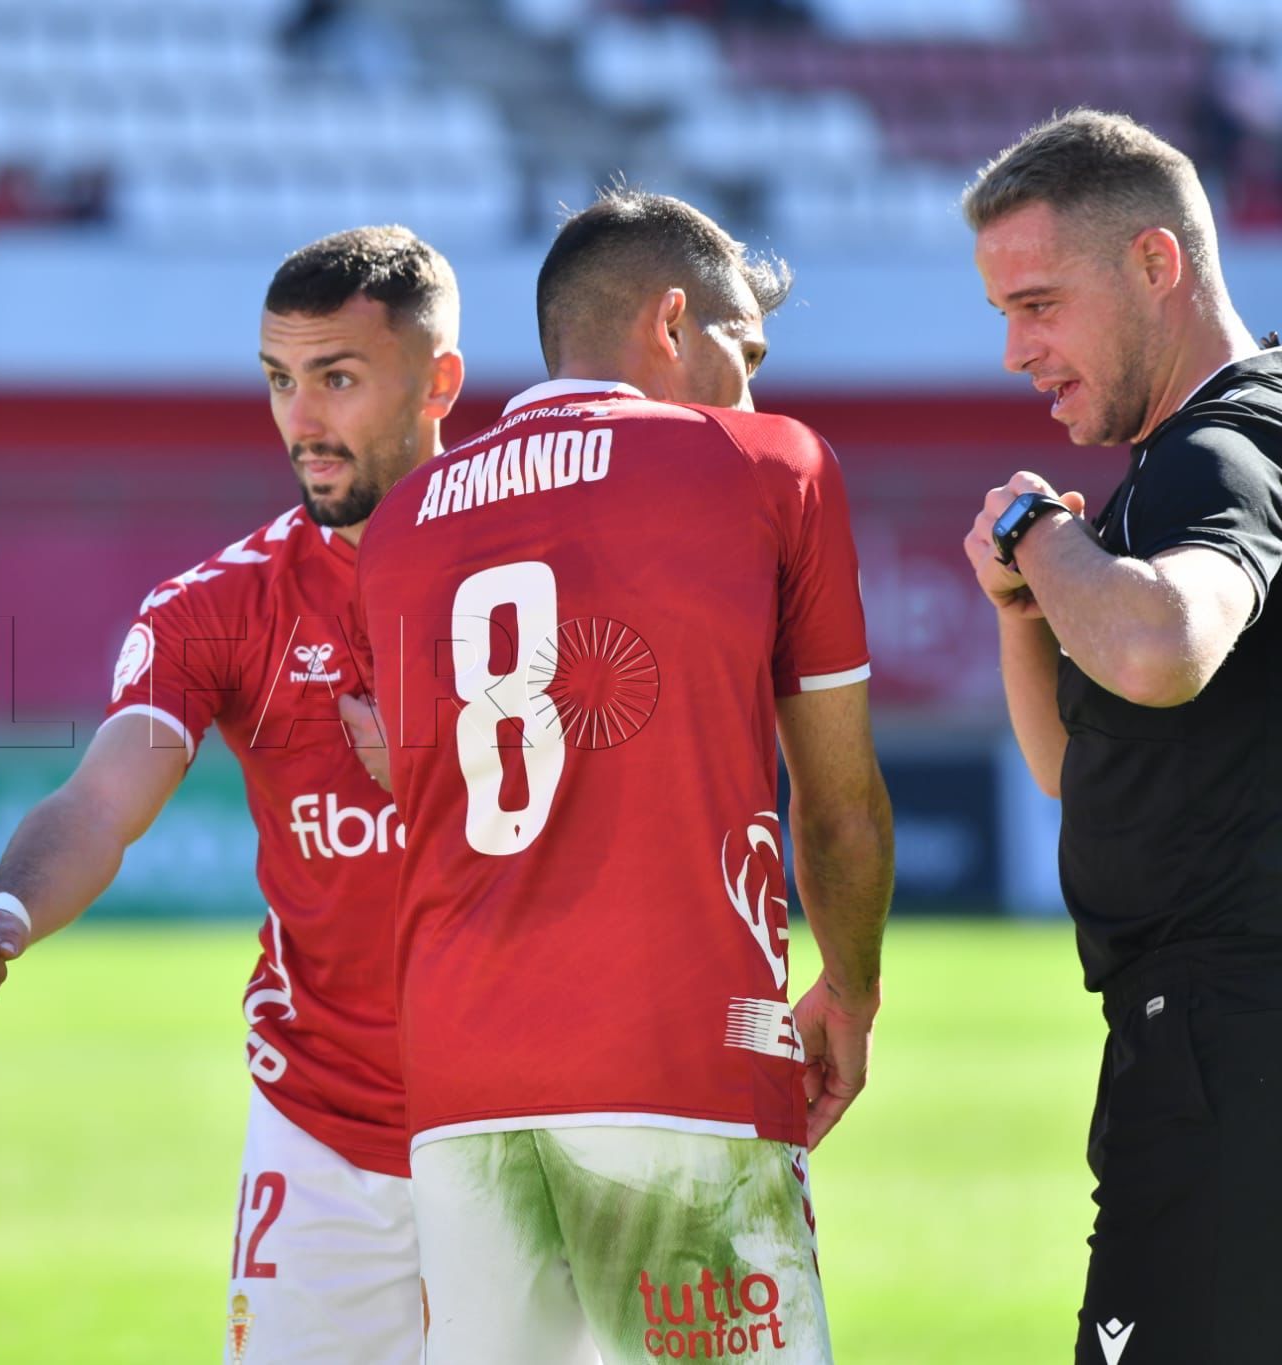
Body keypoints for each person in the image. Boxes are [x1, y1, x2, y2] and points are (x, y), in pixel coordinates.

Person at [351, 189, 894, 1363]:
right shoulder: (767, 464)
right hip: (680, 1048)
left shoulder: (400, 528)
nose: (754, 385)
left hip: (457, 1080)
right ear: (668, 323)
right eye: (741, 350)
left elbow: (419, 795)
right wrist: (847, 990)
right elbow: (839, 807)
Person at [0, 226, 463, 1363]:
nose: (301, 421)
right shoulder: (219, 606)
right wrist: (9, 919)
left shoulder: (541, 574)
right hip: (319, 1138)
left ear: (438, 384)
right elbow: (99, 797)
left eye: (337, 378)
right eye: (280, 381)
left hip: (520, 1123)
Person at [959, 110, 1282, 1365]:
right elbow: (1073, 775)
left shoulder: (1217, 450)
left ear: (1155, 264)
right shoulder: (1180, 464)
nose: (1012, 351)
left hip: (1227, 1056)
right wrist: (1020, 610)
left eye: (1037, 304)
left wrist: (1038, 530)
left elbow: (1158, 648)